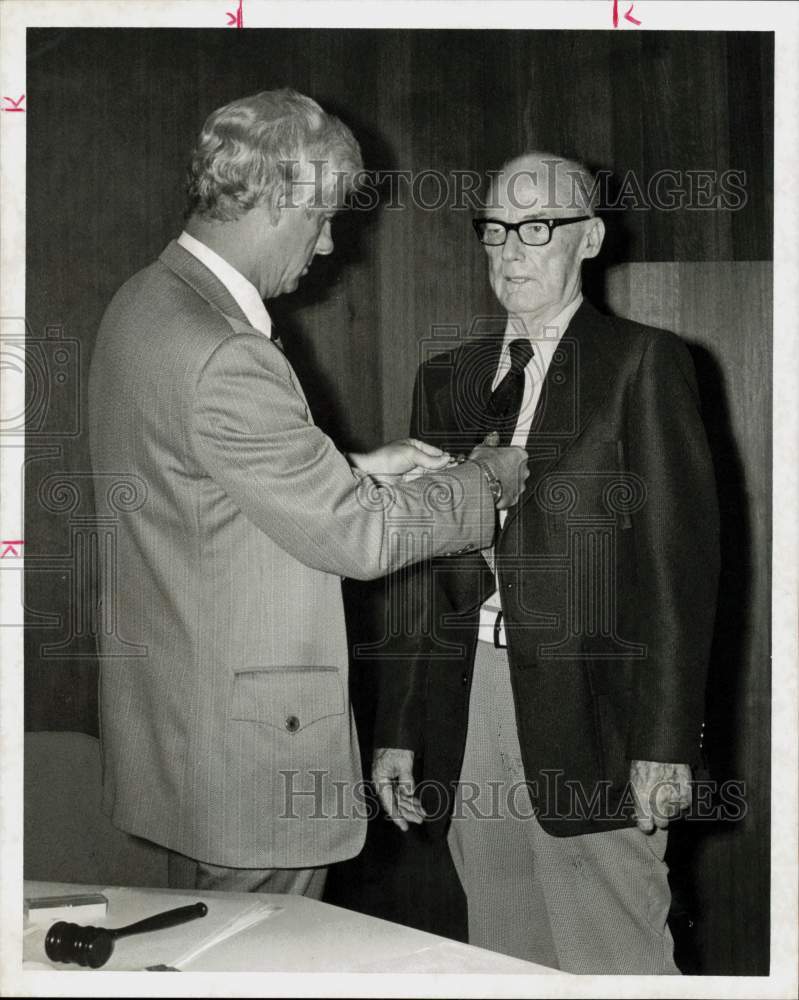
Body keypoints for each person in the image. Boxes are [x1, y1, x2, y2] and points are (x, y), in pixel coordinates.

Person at [88, 89, 529, 898]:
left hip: (178, 740)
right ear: (281, 198)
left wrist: (353, 465)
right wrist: (482, 487)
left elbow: (203, 483)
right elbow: (358, 540)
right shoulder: (226, 351)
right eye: (322, 217)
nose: (327, 246)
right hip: (249, 765)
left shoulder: (143, 303)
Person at [371, 152, 720, 973]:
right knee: (504, 952)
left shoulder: (641, 363)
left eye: (537, 228)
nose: (509, 250)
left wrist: (663, 741)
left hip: (596, 709)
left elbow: (679, 569)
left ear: (589, 238)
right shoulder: (445, 379)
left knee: (614, 951)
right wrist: (399, 729)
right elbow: (427, 577)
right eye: (493, 229)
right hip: (472, 702)